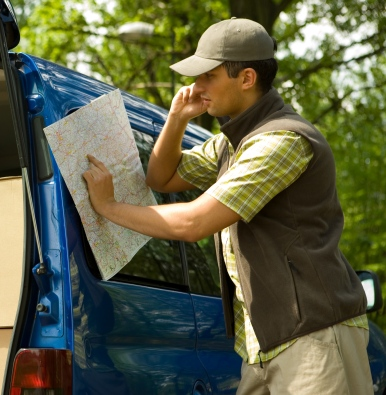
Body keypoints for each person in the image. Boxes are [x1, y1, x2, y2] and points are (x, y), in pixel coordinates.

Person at [83, 17, 372, 394]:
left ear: (247, 79)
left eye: (208, 76)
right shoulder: (233, 142)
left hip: (314, 339)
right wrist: (176, 119)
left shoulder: (281, 140)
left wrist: (108, 207)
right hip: (263, 344)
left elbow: (193, 223)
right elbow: (161, 178)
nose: (196, 87)